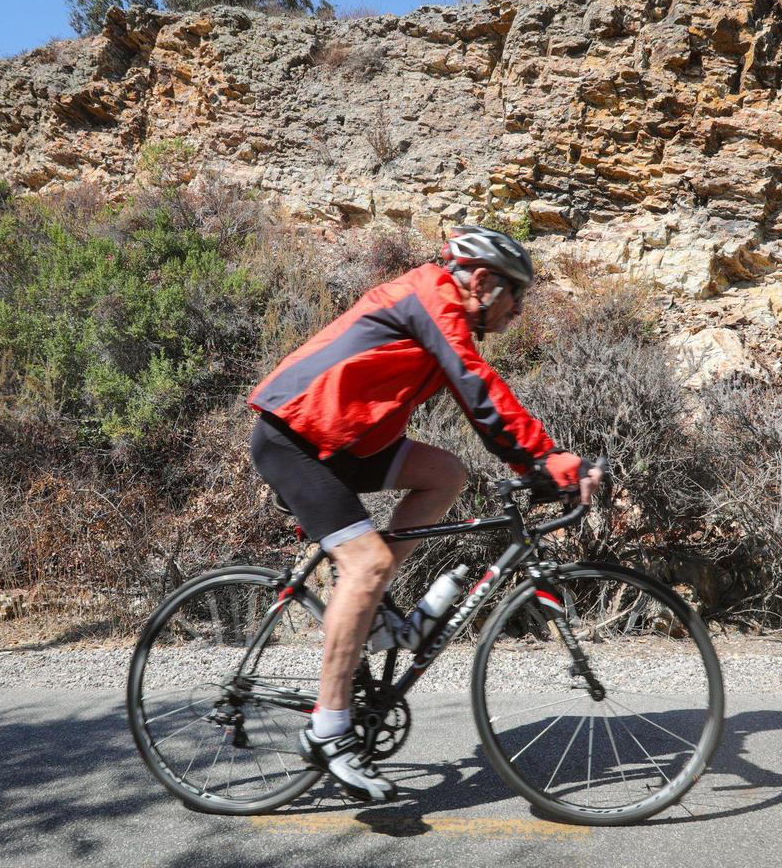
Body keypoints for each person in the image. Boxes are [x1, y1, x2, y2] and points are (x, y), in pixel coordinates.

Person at [247, 225, 603, 802]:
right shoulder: (430, 296)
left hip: (343, 438)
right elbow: (478, 385)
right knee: (362, 567)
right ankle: (328, 729)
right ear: (483, 282)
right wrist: (543, 459)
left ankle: (382, 619)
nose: (518, 311)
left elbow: (475, 397)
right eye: (517, 295)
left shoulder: (447, 315)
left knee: (446, 475)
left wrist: (534, 463)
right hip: (296, 437)